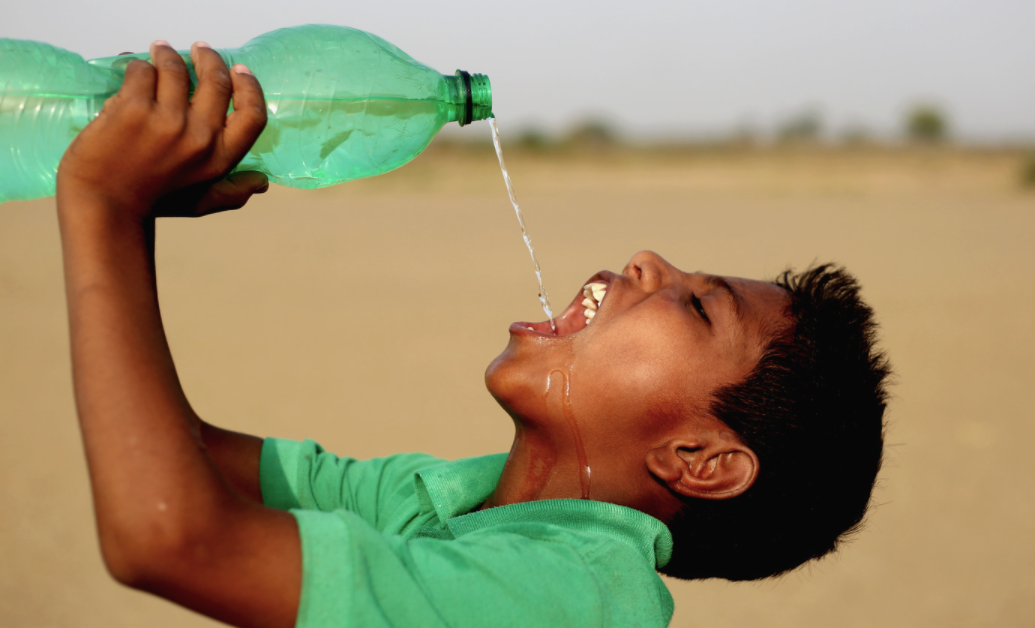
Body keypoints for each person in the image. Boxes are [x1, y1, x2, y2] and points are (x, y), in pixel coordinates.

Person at [55, 41, 891, 628]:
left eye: (701, 307)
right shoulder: (454, 498)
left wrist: (106, 207)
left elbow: (170, 537)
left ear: (700, 461)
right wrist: (139, 211)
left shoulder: (581, 595)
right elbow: (170, 451)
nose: (647, 258)